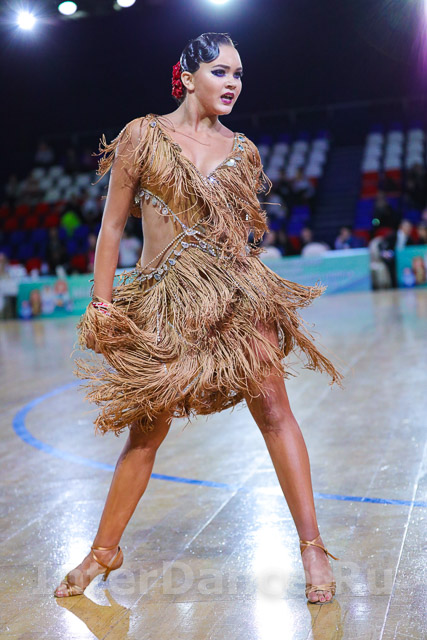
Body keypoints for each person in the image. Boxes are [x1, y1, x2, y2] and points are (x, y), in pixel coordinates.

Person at [54, 32, 343, 605]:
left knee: (275, 414)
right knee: (146, 432)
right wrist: (102, 304)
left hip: (237, 300)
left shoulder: (244, 150)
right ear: (187, 78)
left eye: (239, 74)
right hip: (164, 303)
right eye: (220, 71)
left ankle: (312, 547)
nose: (233, 83)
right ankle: (103, 551)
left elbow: (245, 235)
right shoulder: (143, 136)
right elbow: (111, 228)